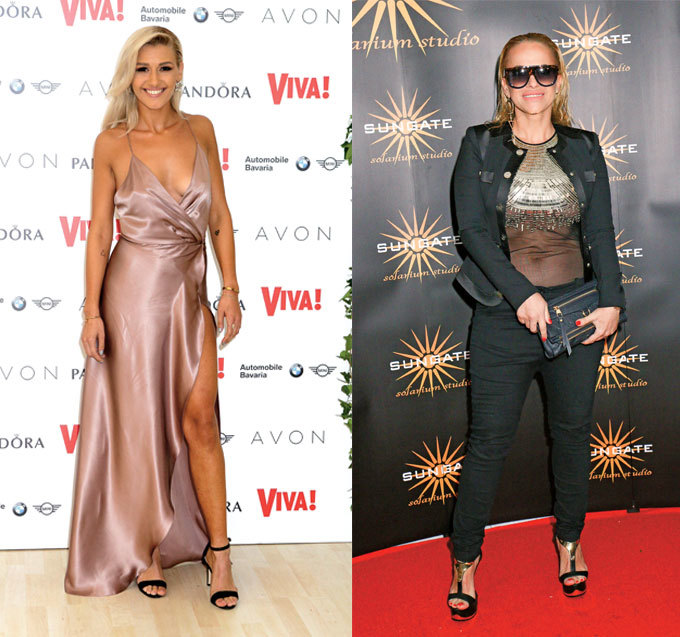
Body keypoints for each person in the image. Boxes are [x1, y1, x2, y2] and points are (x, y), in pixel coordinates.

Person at [447, 32, 625, 620]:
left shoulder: (584, 147)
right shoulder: (479, 144)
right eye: (518, 73)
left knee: (573, 435)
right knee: (487, 444)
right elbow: (473, 233)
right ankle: (465, 557)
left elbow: (600, 231)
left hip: (577, 316)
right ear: (504, 82)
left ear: (559, 78)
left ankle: (570, 541)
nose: (531, 84)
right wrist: (521, 295)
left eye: (543, 71)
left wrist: (612, 302)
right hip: (503, 318)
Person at [64, 27, 241, 610]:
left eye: (164, 67)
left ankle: (220, 553)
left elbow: (219, 216)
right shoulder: (111, 143)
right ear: (129, 76)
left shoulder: (202, 129)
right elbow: (98, 234)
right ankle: (150, 550)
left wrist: (230, 288)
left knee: (201, 422)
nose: (154, 80)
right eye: (142, 69)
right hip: (131, 298)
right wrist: (91, 310)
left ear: (180, 70)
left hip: (190, 296)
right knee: (141, 428)